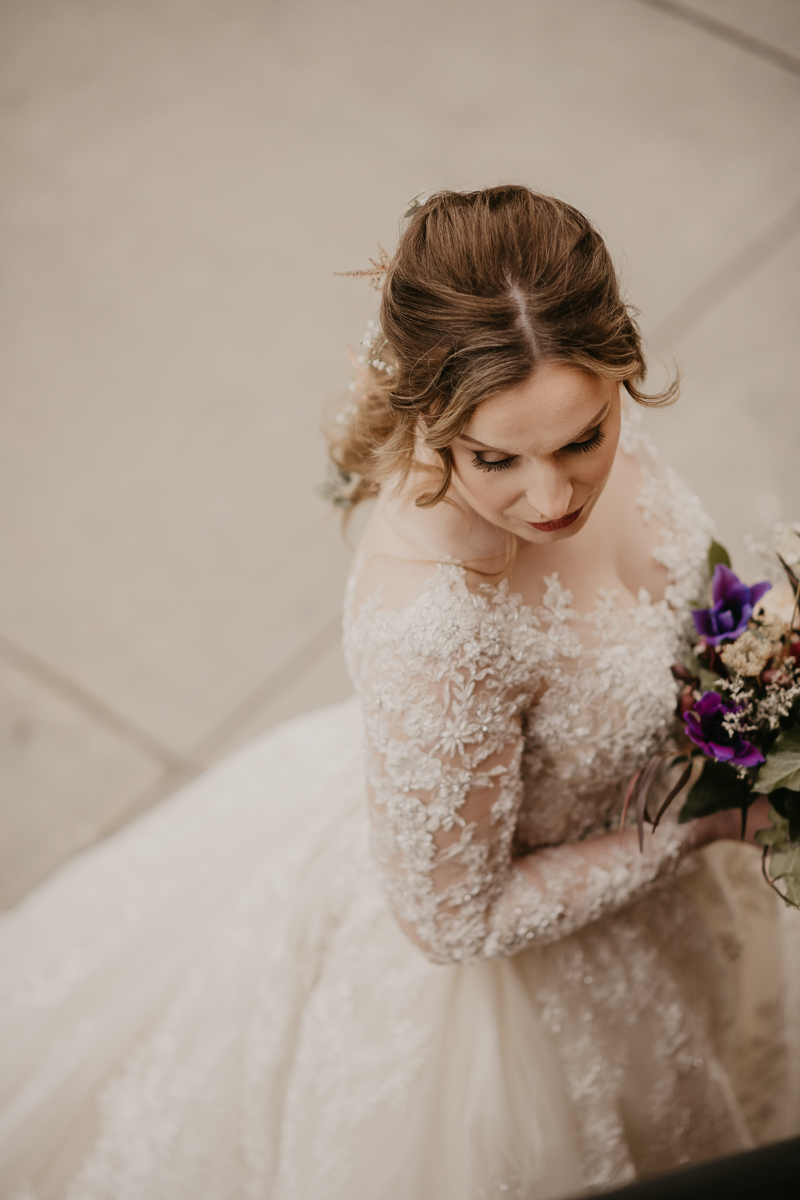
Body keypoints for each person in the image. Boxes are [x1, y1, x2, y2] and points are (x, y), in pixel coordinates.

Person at [1, 186, 798, 1200]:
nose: (550, 497)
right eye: (494, 459)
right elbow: (452, 924)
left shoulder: (563, 407)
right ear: (430, 419)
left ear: (616, 372)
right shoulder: (434, 626)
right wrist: (701, 828)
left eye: (582, 439)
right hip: (527, 991)